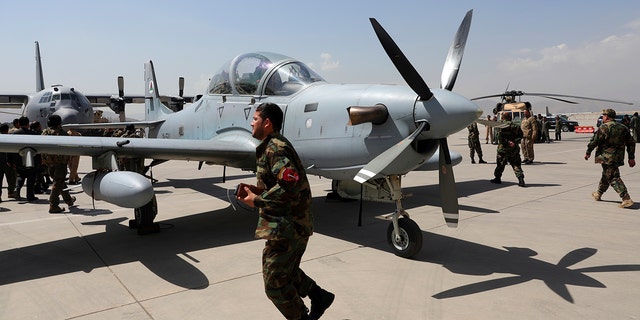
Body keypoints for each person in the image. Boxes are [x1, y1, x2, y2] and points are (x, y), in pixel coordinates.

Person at [237, 102, 334, 320]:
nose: (251, 123)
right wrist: (256, 190)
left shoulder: (276, 148)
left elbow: (290, 184)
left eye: (255, 119)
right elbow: (281, 184)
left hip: (290, 226)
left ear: (267, 122)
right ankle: (319, 296)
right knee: (283, 272)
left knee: (274, 284)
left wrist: (258, 199)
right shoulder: (271, 145)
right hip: (282, 226)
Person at [585, 108, 635, 208]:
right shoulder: (623, 127)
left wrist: (588, 152)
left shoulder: (603, 127)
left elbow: (595, 141)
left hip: (606, 157)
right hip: (618, 157)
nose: (603, 117)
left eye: (603, 116)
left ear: (607, 117)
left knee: (613, 177)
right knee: (606, 175)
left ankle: (626, 198)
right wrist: (631, 157)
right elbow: (631, 143)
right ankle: (598, 194)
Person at [41, 115, 76, 213]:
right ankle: (53, 205)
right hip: (60, 163)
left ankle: (68, 200)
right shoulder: (62, 133)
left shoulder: (45, 133)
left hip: (49, 162)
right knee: (58, 183)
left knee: (59, 182)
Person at [491, 112, 525, 187]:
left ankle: (497, 178)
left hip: (503, 149)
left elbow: (499, 137)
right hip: (514, 149)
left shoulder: (501, 125)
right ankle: (521, 179)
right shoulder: (516, 126)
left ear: (503, 117)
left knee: (500, 165)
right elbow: (521, 135)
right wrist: (514, 142)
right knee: (516, 164)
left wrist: (507, 142)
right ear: (510, 117)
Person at [11, 116, 39, 201]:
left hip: (19, 160)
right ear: (28, 124)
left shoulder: (14, 134)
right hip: (32, 159)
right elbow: (38, 148)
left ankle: (17, 189)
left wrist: (10, 160)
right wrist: (39, 160)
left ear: (19, 124)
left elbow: (10, 149)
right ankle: (30, 196)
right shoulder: (33, 134)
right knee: (31, 178)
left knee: (20, 176)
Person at [0, 123, 17, 202]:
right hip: (8, 163)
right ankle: (10, 192)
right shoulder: (10, 138)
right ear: (7, 130)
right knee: (11, 179)